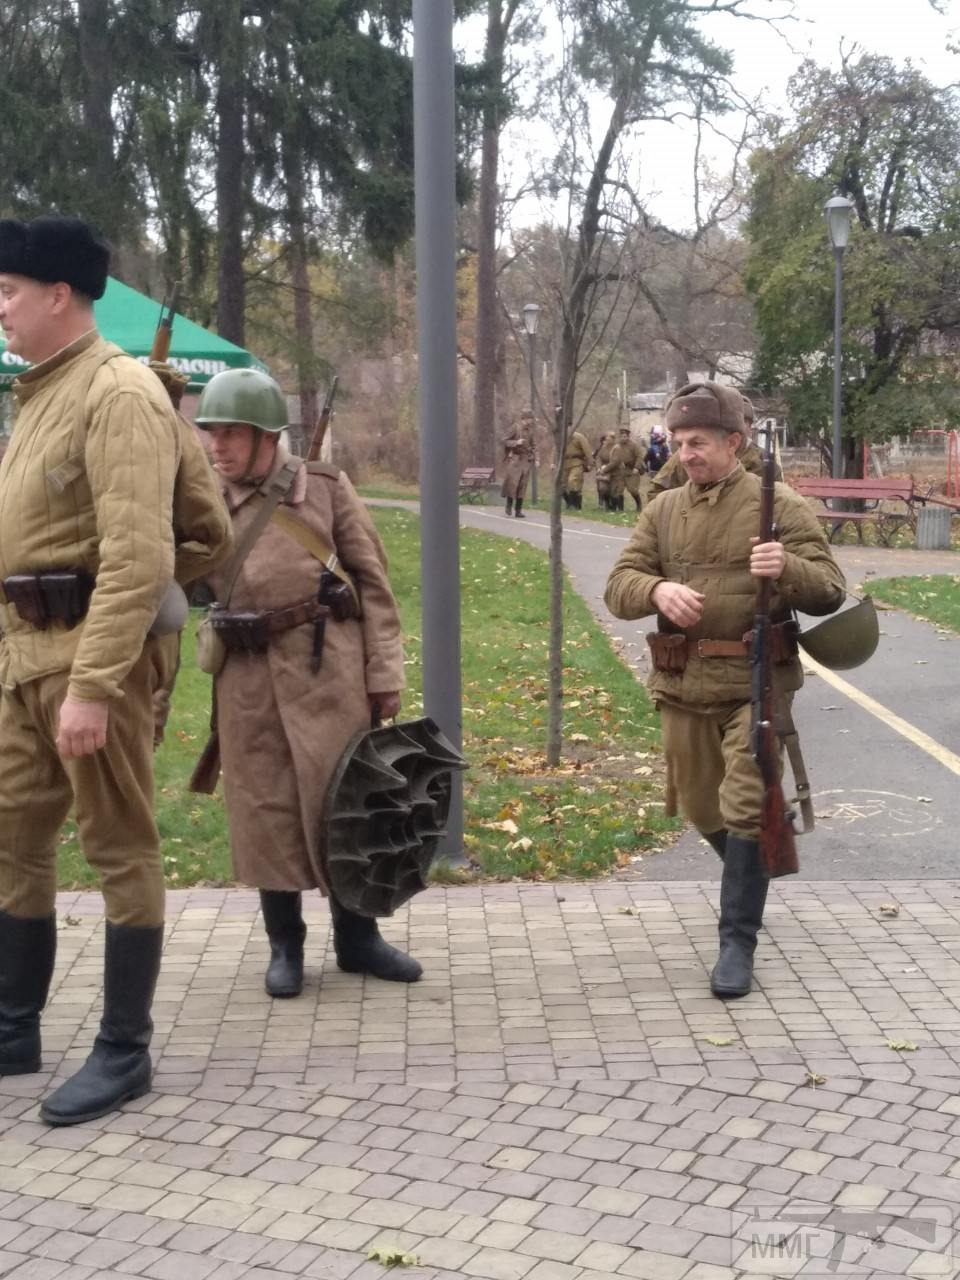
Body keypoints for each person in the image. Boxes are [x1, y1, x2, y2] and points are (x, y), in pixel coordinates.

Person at [0, 215, 232, 1124]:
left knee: (118, 847)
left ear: (61, 296)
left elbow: (140, 558)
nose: (2, 311)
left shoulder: (118, 393)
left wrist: (96, 683)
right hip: (26, 659)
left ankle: (123, 1051)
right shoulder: (41, 394)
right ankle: (15, 1026)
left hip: (90, 658)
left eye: (11, 294)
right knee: (13, 842)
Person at [604, 381, 844, 999]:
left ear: (734, 443)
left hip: (755, 683)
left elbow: (830, 589)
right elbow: (620, 583)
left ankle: (737, 941)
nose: (686, 454)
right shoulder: (662, 509)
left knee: (741, 801)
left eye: (700, 443)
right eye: (680, 443)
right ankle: (767, 843)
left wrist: (785, 567)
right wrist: (656, 591)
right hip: (683, 679)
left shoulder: (779, 505)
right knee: (701, 806)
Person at [195, 368, 421, 999]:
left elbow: (373, 583)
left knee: (347, 802)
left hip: (330, 672)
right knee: (265, 809)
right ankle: (284, 945)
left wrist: (384, 673)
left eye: (231, 434)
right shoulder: (202, 496)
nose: (219, 447)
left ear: (268, 437)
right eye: (211, 434)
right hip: (246, 678)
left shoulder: (323, 488)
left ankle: (359, 939)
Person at [648, 390, 782, 501]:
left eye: (743, 422)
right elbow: (657, 491)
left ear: (750, 428)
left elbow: (775, 503)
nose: (686, 455)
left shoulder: (762, 461)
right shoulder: (685, 455)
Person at [500, 411, 536, 517]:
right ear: (524, 419)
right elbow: (504, 441)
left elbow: (534, 445)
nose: (531, 421)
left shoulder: (530, 431)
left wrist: (536, 458)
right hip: (515, 459)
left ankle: (518, 510)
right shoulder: (515, 428)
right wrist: (516, 443)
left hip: (525, 460)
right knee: (512, 484)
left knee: (522, 485)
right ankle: (509, 506)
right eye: (530, 419)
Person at [611, 426, 645, 511]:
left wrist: (636, 467)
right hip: (622, 470)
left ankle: (639, 505)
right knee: (619, 490)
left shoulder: (634, 445)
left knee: (633, 490)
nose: (623, 438)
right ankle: (620, 509)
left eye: (625, 436)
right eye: (621, 436)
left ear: (628, 436)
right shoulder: (617, 446)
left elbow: (639, 456)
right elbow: (614, 457)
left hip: (632, 469)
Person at [562, 426, 592, 510]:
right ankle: (569, 503)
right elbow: (556, 449)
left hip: (576, 462)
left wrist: (590, 463)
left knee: (572, 481)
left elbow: (587, 450)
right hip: (564, 463)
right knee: (562, 485)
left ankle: (574, 505)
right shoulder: (561, 437)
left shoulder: (579, 437)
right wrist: (553, 462)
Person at [593, 431, 616, 509]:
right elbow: (598, 457)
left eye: (608, 438)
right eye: (606, 438)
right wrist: (599, 467)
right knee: (603, 488)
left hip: (614, 471)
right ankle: (606, 503)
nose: (607, 440)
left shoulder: (617, 448)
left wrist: (605, 469)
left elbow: (615, 462)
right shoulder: (603, 447)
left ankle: (614, 506)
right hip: (604, 471)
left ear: (613, 439)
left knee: (614, 491)